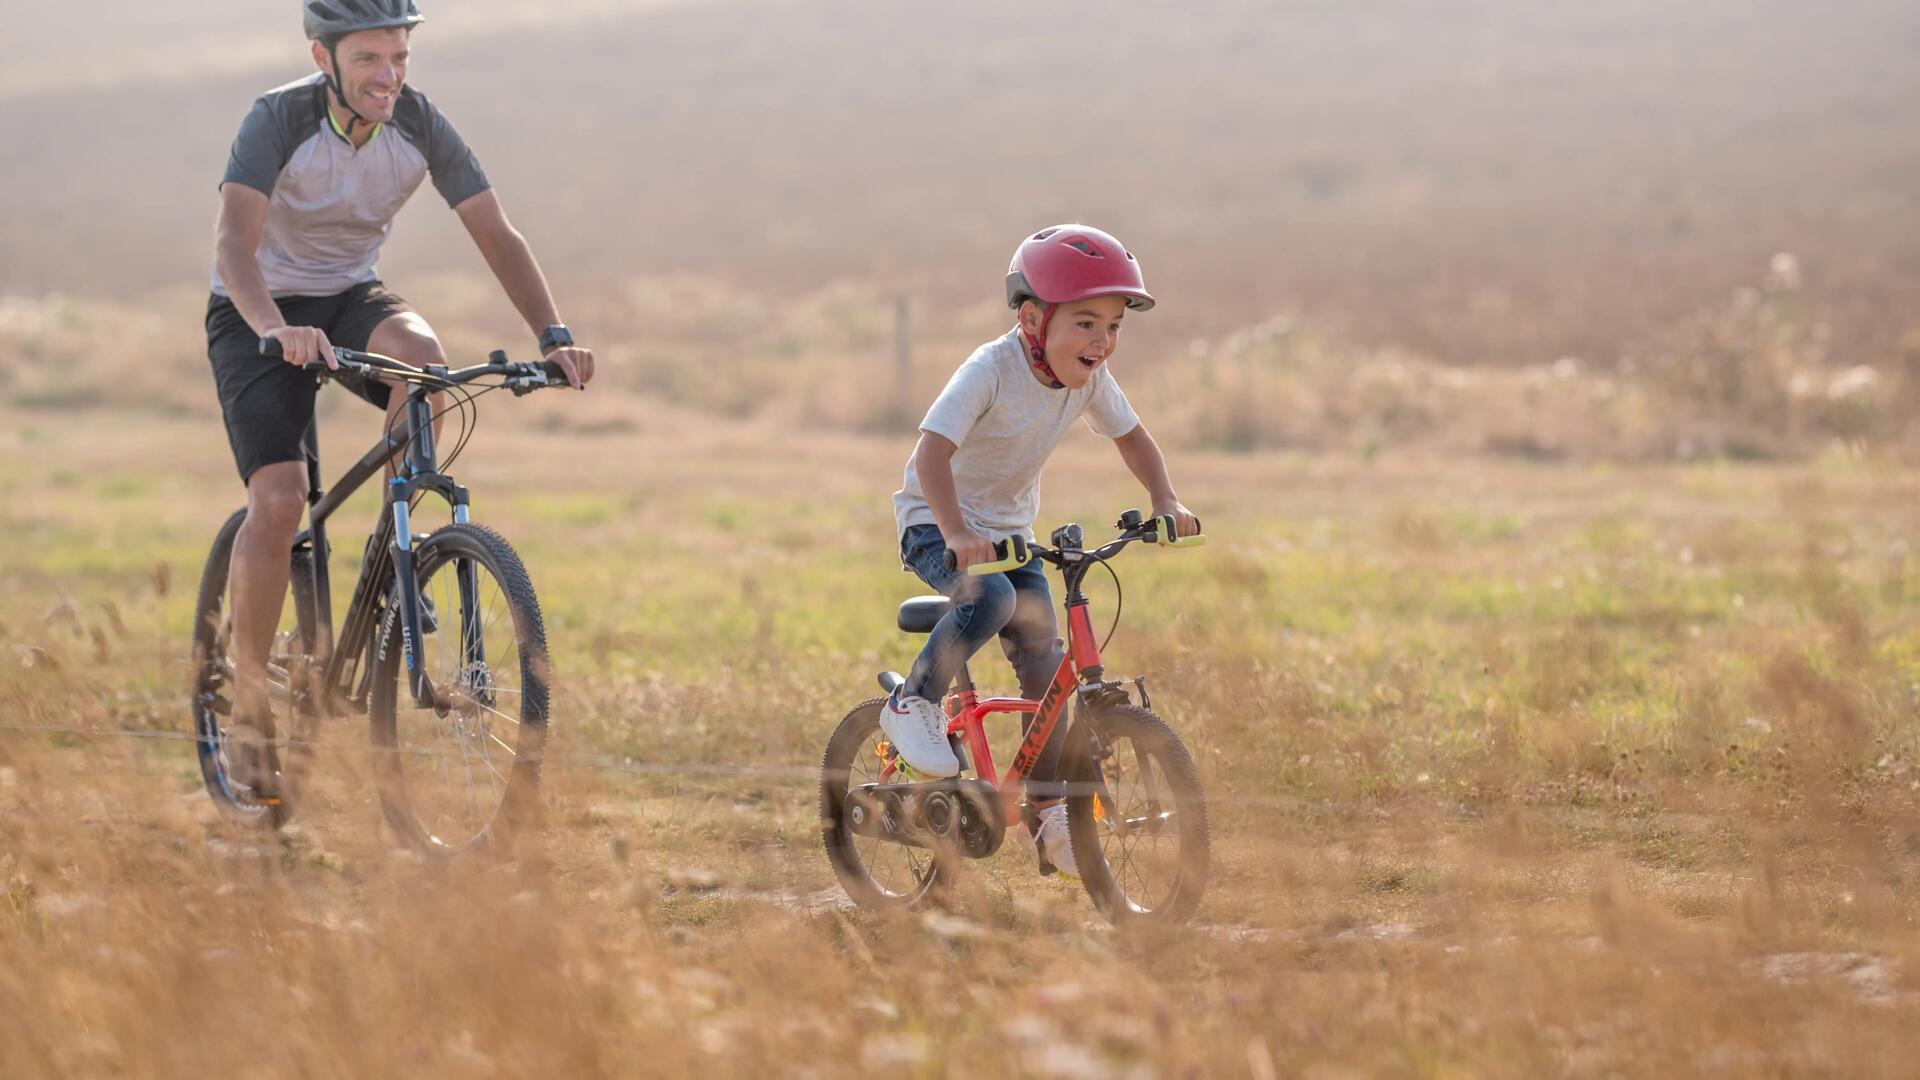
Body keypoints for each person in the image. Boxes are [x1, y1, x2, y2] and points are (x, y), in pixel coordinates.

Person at [207, 0, 595, 798]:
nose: (388, 77)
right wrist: (275, 327)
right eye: (369, 61)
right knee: (279, 504)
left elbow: (498, 234)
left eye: (399, 59)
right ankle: (247, 703)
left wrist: (553, 335)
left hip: (350, 295)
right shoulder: (276, 119)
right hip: (259, 309)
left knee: (426, 366)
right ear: (325, 61)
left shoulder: (418, 122)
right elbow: (233, 248)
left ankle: (396, 557)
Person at [886, 224, 1200, 877]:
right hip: (934, 522)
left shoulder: (1090, 380)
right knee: (993, 597)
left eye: (1113, 326)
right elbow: (931, 454)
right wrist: (953, 534)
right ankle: (912, 701)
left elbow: (1135, 441)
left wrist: (1166, 501)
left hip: (1010, 535)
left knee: (1045, 664)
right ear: (1032, 319)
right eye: (1086, 323)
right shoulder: (991, 370)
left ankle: (1051, 810)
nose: (1102, 341)